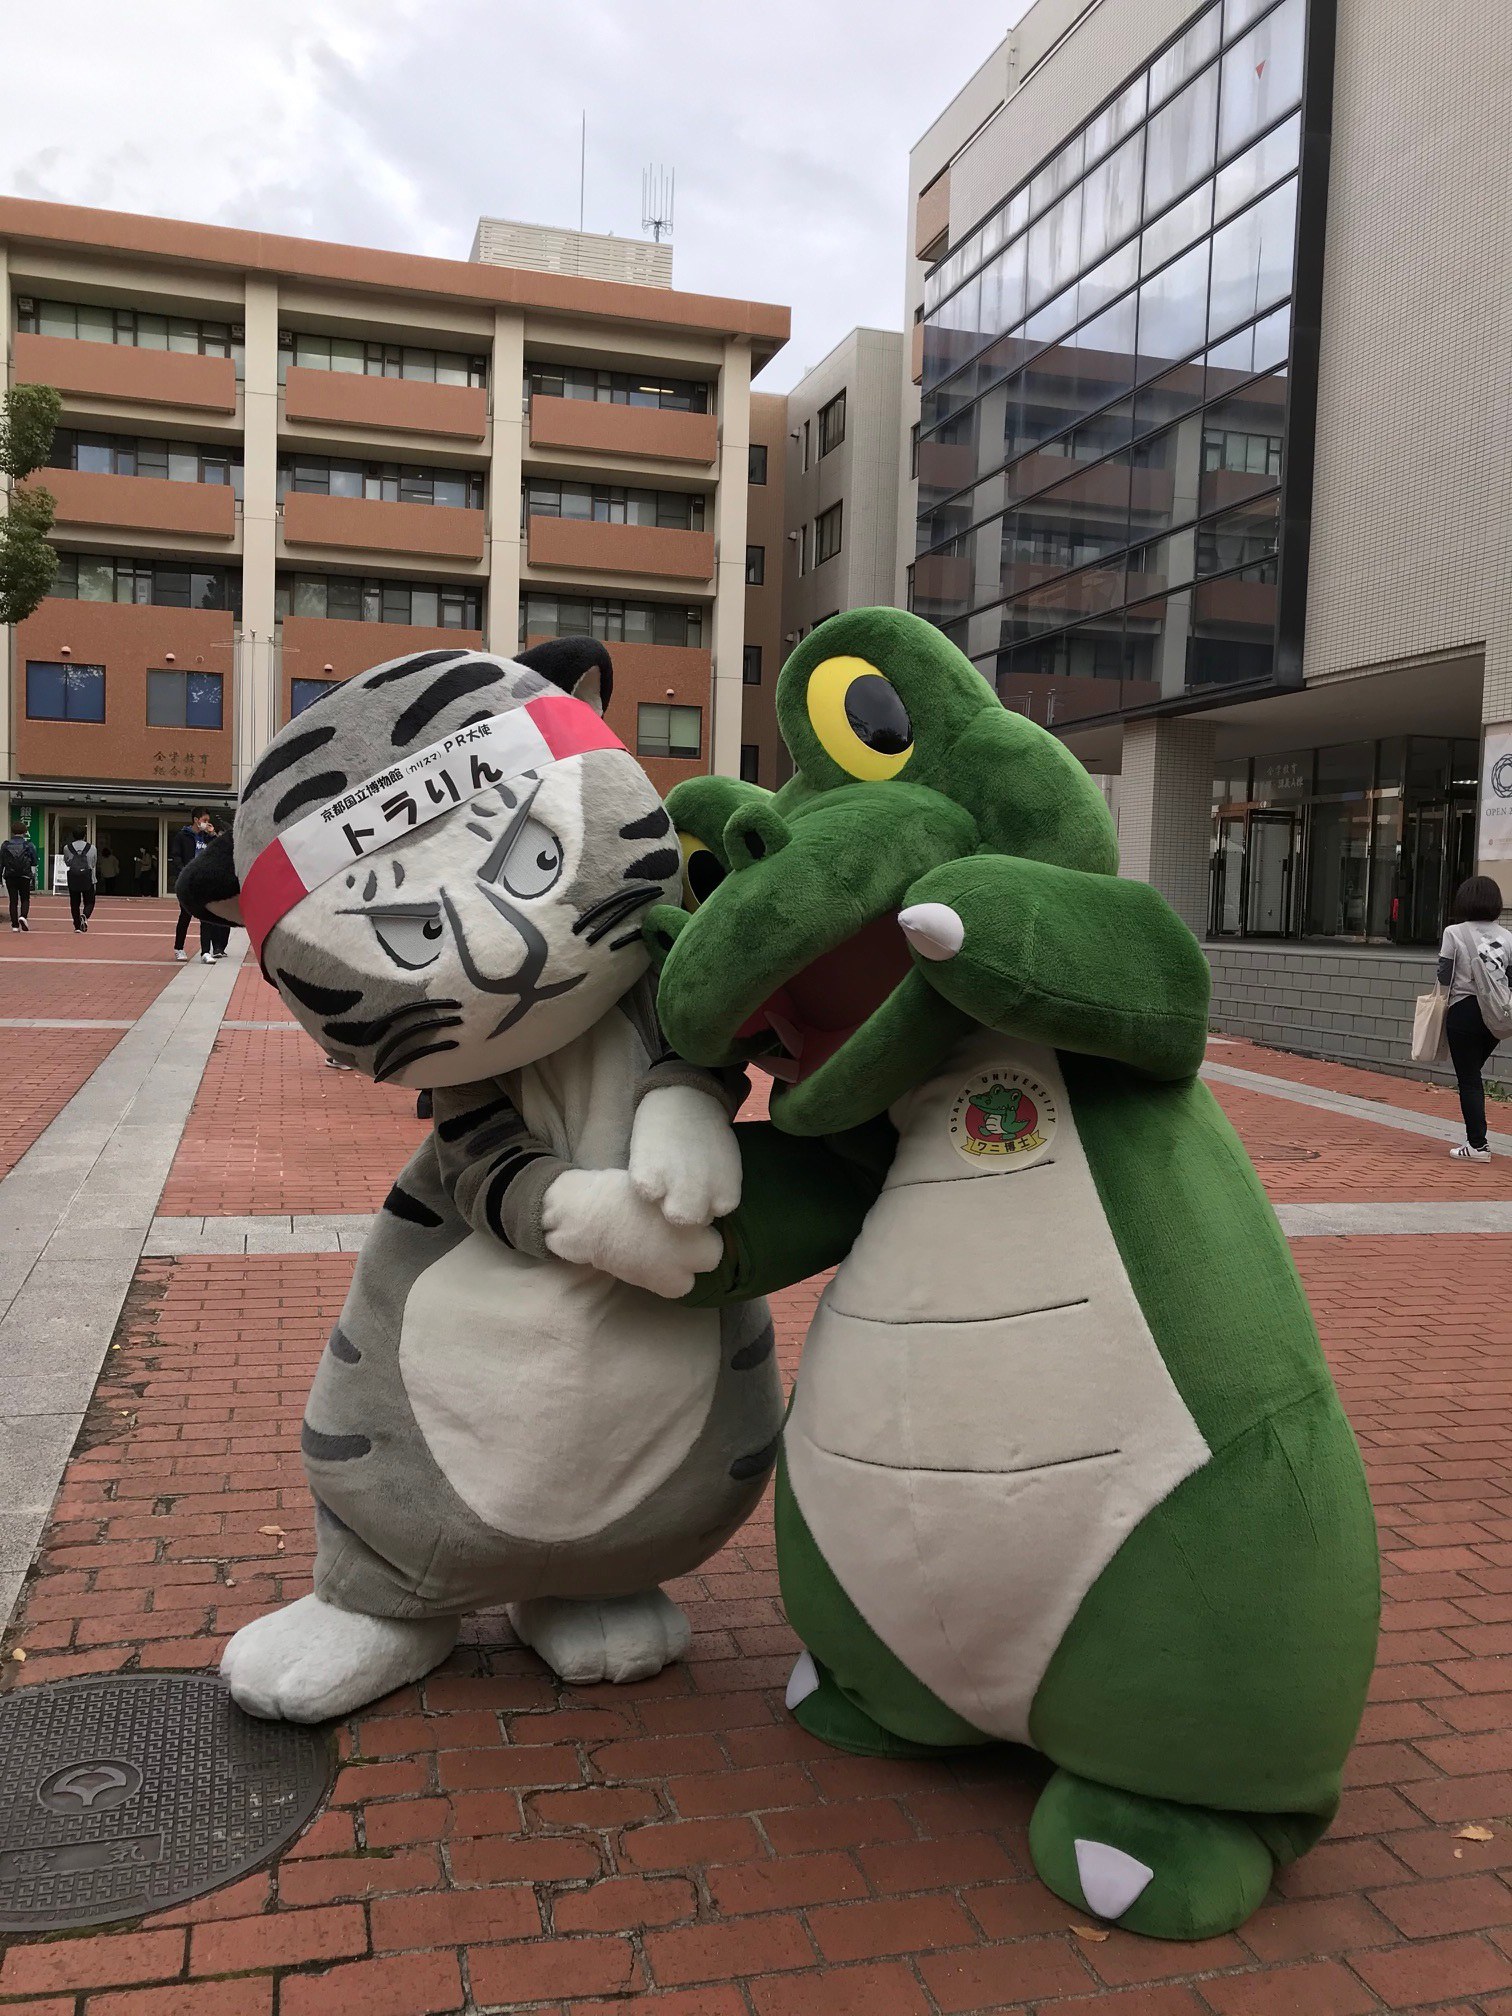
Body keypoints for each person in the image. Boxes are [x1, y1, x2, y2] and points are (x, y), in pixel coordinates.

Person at [1438, 875, 1512, 1163]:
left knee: (1469, 1079)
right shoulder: (1508, 936)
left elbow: (1444, 975)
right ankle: (1476, 1142)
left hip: (1464, 1010)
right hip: (1496, 1015)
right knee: (1472, 1076)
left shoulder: (1453, 932)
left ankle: (1477, 1145)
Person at [169, 811, 219, 962]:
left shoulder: (207, 837)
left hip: (203, 883)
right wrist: (184, 872)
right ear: (196, 820)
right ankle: (179, 948)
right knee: (185, 915)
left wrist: (213, 834)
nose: (207, 823)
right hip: (188, 882)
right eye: (205, 820)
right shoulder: (182, 836)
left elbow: (218, 850)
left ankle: (206, 952)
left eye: (208, 820)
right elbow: (176, 856)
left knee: (206, 917)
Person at [0, 822, 38, 933]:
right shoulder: (28, 845)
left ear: (12, 831)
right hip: (24, 875)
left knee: (13, 900)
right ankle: (23, 916)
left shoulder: (5, 845)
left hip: (10, 876)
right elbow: (34, 861)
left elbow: (1, 862)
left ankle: (15, 926)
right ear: (24, 832)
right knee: (25, 898)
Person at [62, 831, 97, 933]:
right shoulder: (92, 848)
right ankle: (85, 915)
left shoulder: (67, 848)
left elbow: (67, 862)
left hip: (73, 877)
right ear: (84, 836)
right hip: (88, 878)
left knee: (74, 903)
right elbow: (93, 863)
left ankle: (77, 926)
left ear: (73, 836)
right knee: (89, 901)